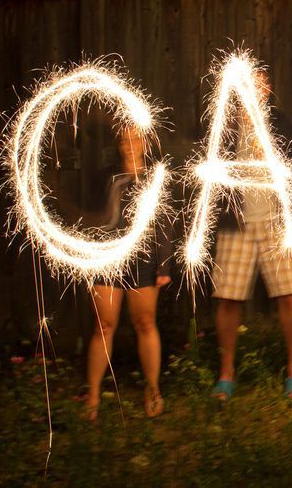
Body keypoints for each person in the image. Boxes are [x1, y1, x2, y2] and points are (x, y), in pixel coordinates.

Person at [210, 72, 292, 400]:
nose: (254, 89)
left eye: (260, 83)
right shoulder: (224, 124)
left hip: (274, 224)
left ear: (268, 89)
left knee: (288, 295)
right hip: (235, 223)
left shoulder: (280, 122)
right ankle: (226, 374)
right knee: (228, 298)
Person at [86, 127, 172, 421]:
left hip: (144, 260)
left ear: (145, 143)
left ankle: (152, 389)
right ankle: (94, 396)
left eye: (135, 139)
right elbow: (91, 220)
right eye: (124, 139)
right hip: (107, 259)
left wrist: (164, 264)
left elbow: (165, 223)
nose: (129, 145)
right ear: (118, 144)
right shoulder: (105, 178)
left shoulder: (155, 178)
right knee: (104, 325)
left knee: (145, 323)